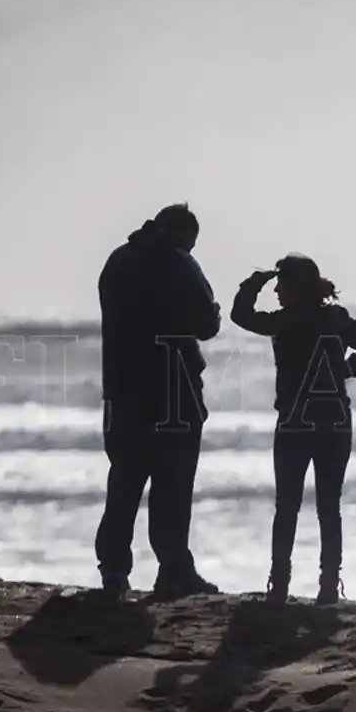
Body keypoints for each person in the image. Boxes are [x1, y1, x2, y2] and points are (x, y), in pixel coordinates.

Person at [230, 253, 356, 605]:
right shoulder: (336, 318)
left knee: (287, 506)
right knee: (329, 507)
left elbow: (240, 315)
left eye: (280, 283)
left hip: (294, 424)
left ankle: (280, 586)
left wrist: (254, 282)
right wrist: (349, 370)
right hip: (335, 422)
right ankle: (329, 586)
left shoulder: (284, 322)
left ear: (293, 286)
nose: (277, 291)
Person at [96, 203, 222, 600]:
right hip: (174, 391)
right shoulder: (181, 264)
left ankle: (114, 570)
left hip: (122, 390)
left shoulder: (117, 261)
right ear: (185, 236)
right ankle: (173, 569)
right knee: (173, 485)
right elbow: (207, 324)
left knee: (124, 482)